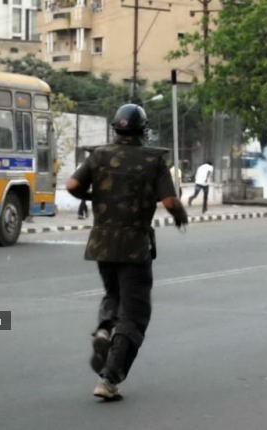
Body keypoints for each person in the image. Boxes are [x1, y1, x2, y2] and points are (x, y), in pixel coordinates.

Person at [66, 104, 188, 401]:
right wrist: (181, 215)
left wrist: (95, 195)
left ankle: (105, 329)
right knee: (134, 314)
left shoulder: (98, 155)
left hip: (102, 243)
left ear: (115, 128)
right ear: (143, 130)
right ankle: (109, 379)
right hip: (134, 245)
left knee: (113, 295)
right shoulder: (152, 159)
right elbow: (170, 201)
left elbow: (71, 185)